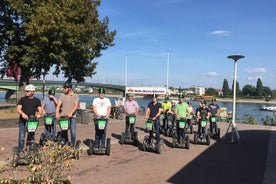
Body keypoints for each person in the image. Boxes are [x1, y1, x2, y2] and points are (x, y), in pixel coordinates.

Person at [16, 84, 42, 153]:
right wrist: (22, 114)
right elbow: (18, 109)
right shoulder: (22, 99)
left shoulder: (37, 100)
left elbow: (40, 110)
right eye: (25, 91)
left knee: (31, 137)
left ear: (32, 92)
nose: (26, 92)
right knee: (21, 137)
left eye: (27, 91)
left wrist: (39, 114)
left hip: (32, 121)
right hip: (23, 121)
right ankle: (20, 151)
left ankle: (29, 151)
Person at [56, 81, 79, 146]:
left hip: (72, 117)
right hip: (64, 116)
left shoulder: (75, 96)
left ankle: (72, 144)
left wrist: (71, 113)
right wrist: (57, 113)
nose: (64, 89)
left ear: (69, 88)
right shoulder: (62, 96)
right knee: (64, 131)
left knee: (73, 131)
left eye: (65, 88)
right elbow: (58, 105)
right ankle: (64, 143)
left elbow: (76, 105)